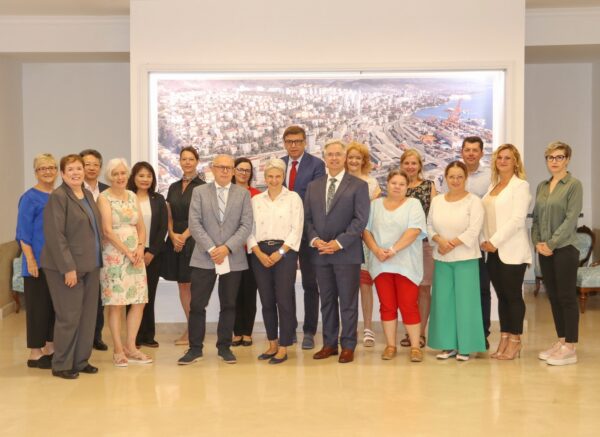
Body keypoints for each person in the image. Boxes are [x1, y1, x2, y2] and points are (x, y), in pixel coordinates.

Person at [177, 155, 253, 365]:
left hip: (232, 257)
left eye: (229, 168)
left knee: (229, 304)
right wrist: (212, 248)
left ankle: (224, 347)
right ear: (212, 168)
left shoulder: (243, 194)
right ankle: (194, 349)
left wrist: (226, 248)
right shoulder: (200, 192)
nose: (225, 171)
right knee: (197, 305)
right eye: (221, 167)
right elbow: (194, 223)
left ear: (233, 171)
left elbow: (246, 225)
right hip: (204, 256)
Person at [305, 139, 370, 364]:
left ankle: (348, 345)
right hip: (320, 253)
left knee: (348, 303)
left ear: (344, 158)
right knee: (327, 301)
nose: (334, 158)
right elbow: (308, 219)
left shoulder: (358, 186)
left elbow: (360, 220)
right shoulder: (314, 186)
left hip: (346, 254)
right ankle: (330, 344)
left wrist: (338, 243)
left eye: (338, 154)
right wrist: (315, 240)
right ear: (324, 158)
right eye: (330, 154)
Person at [41, 154, 102, 379]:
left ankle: (80, 360)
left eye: (79, 168)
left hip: (91, 265)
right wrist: (68, 268)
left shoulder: (87, 194)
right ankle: (61, 364)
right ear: (62, 174)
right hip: (66, 267)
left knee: (87, 317)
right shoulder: (58, 197)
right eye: (71, 169)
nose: (76, 173)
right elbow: (55, 236)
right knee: (69, 316)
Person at [363, 169, 426, 362]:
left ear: (407, 187)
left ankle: (415, 347)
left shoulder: (413, 204)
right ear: (387, 184)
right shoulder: (375, 205)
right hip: (381, 264)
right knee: (387, 306)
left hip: (406, 264)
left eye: (402, 184)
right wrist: (376, 250)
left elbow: (414, 231)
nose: (397, 187)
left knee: (409, 305)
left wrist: (392, 250)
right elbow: (366, 231)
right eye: (394, 183)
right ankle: (390, 346)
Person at [427, 161, 485, 361]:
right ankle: (448, 345)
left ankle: (466, 347)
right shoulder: (437, 201)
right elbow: (429, 226)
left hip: (465, 258)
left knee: (466, 304)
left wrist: (450, 243)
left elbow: (474, 230)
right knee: (444, 303)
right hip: (442, 258)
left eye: (460, 176)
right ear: (446, 178)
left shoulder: (474, 201)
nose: (456, 180)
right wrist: (439, 241)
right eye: (451, 176)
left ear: (466, 178)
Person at [248, 158, 304, 364]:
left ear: (283, 177)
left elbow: (297, 228)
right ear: (265, 177)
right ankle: (272, 343)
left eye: (277, 176)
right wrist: (258, 253)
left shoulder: (293, 198)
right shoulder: (256, 200)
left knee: (284, 299)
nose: (273, 180)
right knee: (267, 300)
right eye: (270, 176)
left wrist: (280, 252)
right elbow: (248, 229)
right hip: (260, 253)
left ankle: (284, 346)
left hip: (285, 253)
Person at [532, 141, 583, 366]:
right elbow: (535, 218)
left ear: (567, 160)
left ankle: (570, 347)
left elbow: (571, 219)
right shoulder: (542, 186)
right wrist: (537, 242)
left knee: (566, 297)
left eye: (559, 157)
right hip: (544, 249)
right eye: (550, 157)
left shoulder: (573, 185)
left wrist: (551, 244)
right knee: (553, 296)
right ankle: (561, 340)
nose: (554, 161)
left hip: (565, 248)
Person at [98, 158, 151, 367]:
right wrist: (127, 252)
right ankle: (118, 350)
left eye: (123, 173)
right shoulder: (104, 198)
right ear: (109, 177)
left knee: (139, 301)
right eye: (115, 174)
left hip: (135, 255)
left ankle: (131, 346)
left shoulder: (132, 195)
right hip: (114, 255)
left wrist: (140, 247)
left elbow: (141, 226)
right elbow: (107, 230)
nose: (120, 177)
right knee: (116, 303)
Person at [481, 144, 532, 360]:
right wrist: (485, 241)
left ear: (515, 162)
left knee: (513, 297)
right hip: (492, 251)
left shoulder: (520, 186)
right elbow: (486, 217)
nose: (502, 161)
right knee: (502, 297)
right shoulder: (493, 185)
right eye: (499, 157)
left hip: (512, 251)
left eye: (507, 158)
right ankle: (504, 337)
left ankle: (515, 341)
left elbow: (517, 220)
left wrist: (494, 241)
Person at [442, 136, 492, 348]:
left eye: (475, 150)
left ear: (481, 153)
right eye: (467, 150)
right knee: (456, 292)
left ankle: (482, 333)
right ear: (461, 152)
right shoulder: (452, 174)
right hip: (451, 245)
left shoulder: (490, 176)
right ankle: (457, 334)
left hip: (478, 242)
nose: (471, 153)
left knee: (480, 289)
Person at [281, 125, 326, 350]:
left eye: (298, 141)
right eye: (289, 141)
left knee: (310, 283)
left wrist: (291, 202)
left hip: (308, 231)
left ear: (305, 142)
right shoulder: (279, 164)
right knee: (285, 284)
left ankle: (309, 331)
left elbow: (315, 197)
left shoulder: (316, 165)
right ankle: (288, 330)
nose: (294, 145)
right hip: (284, 233)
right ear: (284, 143)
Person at [16, 153, 58, 369]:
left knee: (52, 307)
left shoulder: (58, 195)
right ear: (36, 172)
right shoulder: (29, 198)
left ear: (57, 171)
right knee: (37, 309)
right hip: (36, 263)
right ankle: (35, 353)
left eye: (51, 167)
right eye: (42, 168)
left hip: (56, 263)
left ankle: (49, 348)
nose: (47, 171)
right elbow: (23, 233)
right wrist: (30, 260)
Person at [161, 146, 206, 345]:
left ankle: (194, 331)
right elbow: (169, 214)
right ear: (179, 162)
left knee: (193, 286)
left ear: (197, 161)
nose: (187, 162)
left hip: (193, 240)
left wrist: (184, 236)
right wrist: (172, 235)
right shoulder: (173, 186)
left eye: (191, 159)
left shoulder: (203, 187)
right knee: (182, 285)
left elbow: (201, 217)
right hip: (175, 240)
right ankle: (191, 328)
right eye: (184, 159)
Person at [126, 161, 168, 348]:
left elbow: (163, 228)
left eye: (149, 176)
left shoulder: (158, 199)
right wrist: (133, 252)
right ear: (134, 178)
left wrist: (152, 252)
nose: (145, 179)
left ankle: (148, 335)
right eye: (141, 175)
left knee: (148, 295)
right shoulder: (127, 197)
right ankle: (133, 338)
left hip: (153, 254)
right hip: (130, 253)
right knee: (132, 296)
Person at [400, 148, 437, 349]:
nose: (410, 166)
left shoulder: (428, 186)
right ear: (401, 165)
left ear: (420, 166)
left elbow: (434, 215)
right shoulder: (398, 186)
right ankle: (409, 331)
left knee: (423, 288)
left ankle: (420, 333)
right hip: (403, 246)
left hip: (424, 245)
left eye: (414, 163)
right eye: (406, 163)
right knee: (407, 290)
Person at [345, 141, 381, 347]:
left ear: (364, 161)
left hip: (365, 239)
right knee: (346, 286)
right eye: (350, 157)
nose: (354, 161)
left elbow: (373, 213)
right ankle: (349, 328)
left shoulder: (371, 183)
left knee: (365, 284)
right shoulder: (339, 180)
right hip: (344, 240)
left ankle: (368, 327)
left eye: (358, 158)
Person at [80, 148, 109, 351]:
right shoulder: (73, 189)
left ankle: (96, 335)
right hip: (81, 251)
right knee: (81, 295)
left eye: (95, 164)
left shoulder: (107, 190)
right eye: (87, 164)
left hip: (105, 249)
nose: (91, 168)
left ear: (100, 168)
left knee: (100, 295)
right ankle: (81, 336)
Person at [231, 157, 261, 347]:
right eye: (240, 169)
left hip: (251, 250)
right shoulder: (226, 193)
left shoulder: (257, 195)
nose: (243, 173)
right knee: (232, 292)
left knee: (249, 291)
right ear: (234, 171)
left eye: (247, 170)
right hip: (231, 250)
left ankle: (247, 332)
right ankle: (236, 332)